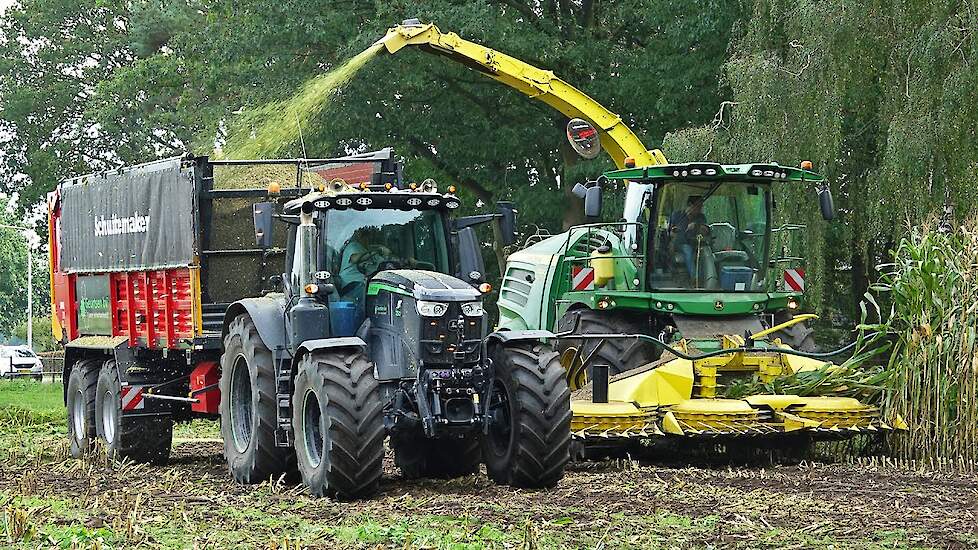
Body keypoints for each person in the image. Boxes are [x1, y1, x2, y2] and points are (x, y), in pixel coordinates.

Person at [669, 196, 710, 279]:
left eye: (701, 207)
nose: (700, 209)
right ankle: (695, 279)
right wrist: (674, 231)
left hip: (697, 243)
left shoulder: (701, 217)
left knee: (706, 251)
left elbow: (706, 230)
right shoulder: (677, 215)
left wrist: (696, 226)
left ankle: (708, 278)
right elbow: (670, 232)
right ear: (690, 205)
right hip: (680, 243)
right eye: (698, 206)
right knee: (687, 249)